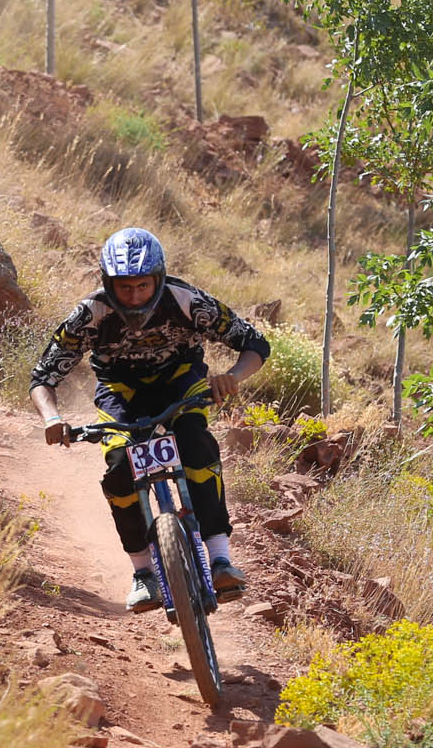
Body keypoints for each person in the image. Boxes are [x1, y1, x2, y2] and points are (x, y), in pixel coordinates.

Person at [29, 227, 269, 613]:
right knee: (119, 468)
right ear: (108, 283)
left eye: (143, 286)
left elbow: (254, 343)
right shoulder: (91, 313)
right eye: (125, 288)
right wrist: (51, 417)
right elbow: (44, 376)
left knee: (195, 445)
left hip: (181, 381)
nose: (135, 296)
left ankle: (220, 559)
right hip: (121, 391)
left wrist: (233, 377)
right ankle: (143, 573)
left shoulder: (186, 300)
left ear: (158, 279)